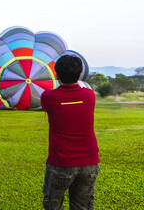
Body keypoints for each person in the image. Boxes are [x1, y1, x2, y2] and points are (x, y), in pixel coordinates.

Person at [40, 55, 100, 210]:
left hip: (61, 161)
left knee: (53, 204)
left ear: (56, 74)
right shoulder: (89, 95)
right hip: (89, 162)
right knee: (83, 206)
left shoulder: (48, 97)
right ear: (80, 74)